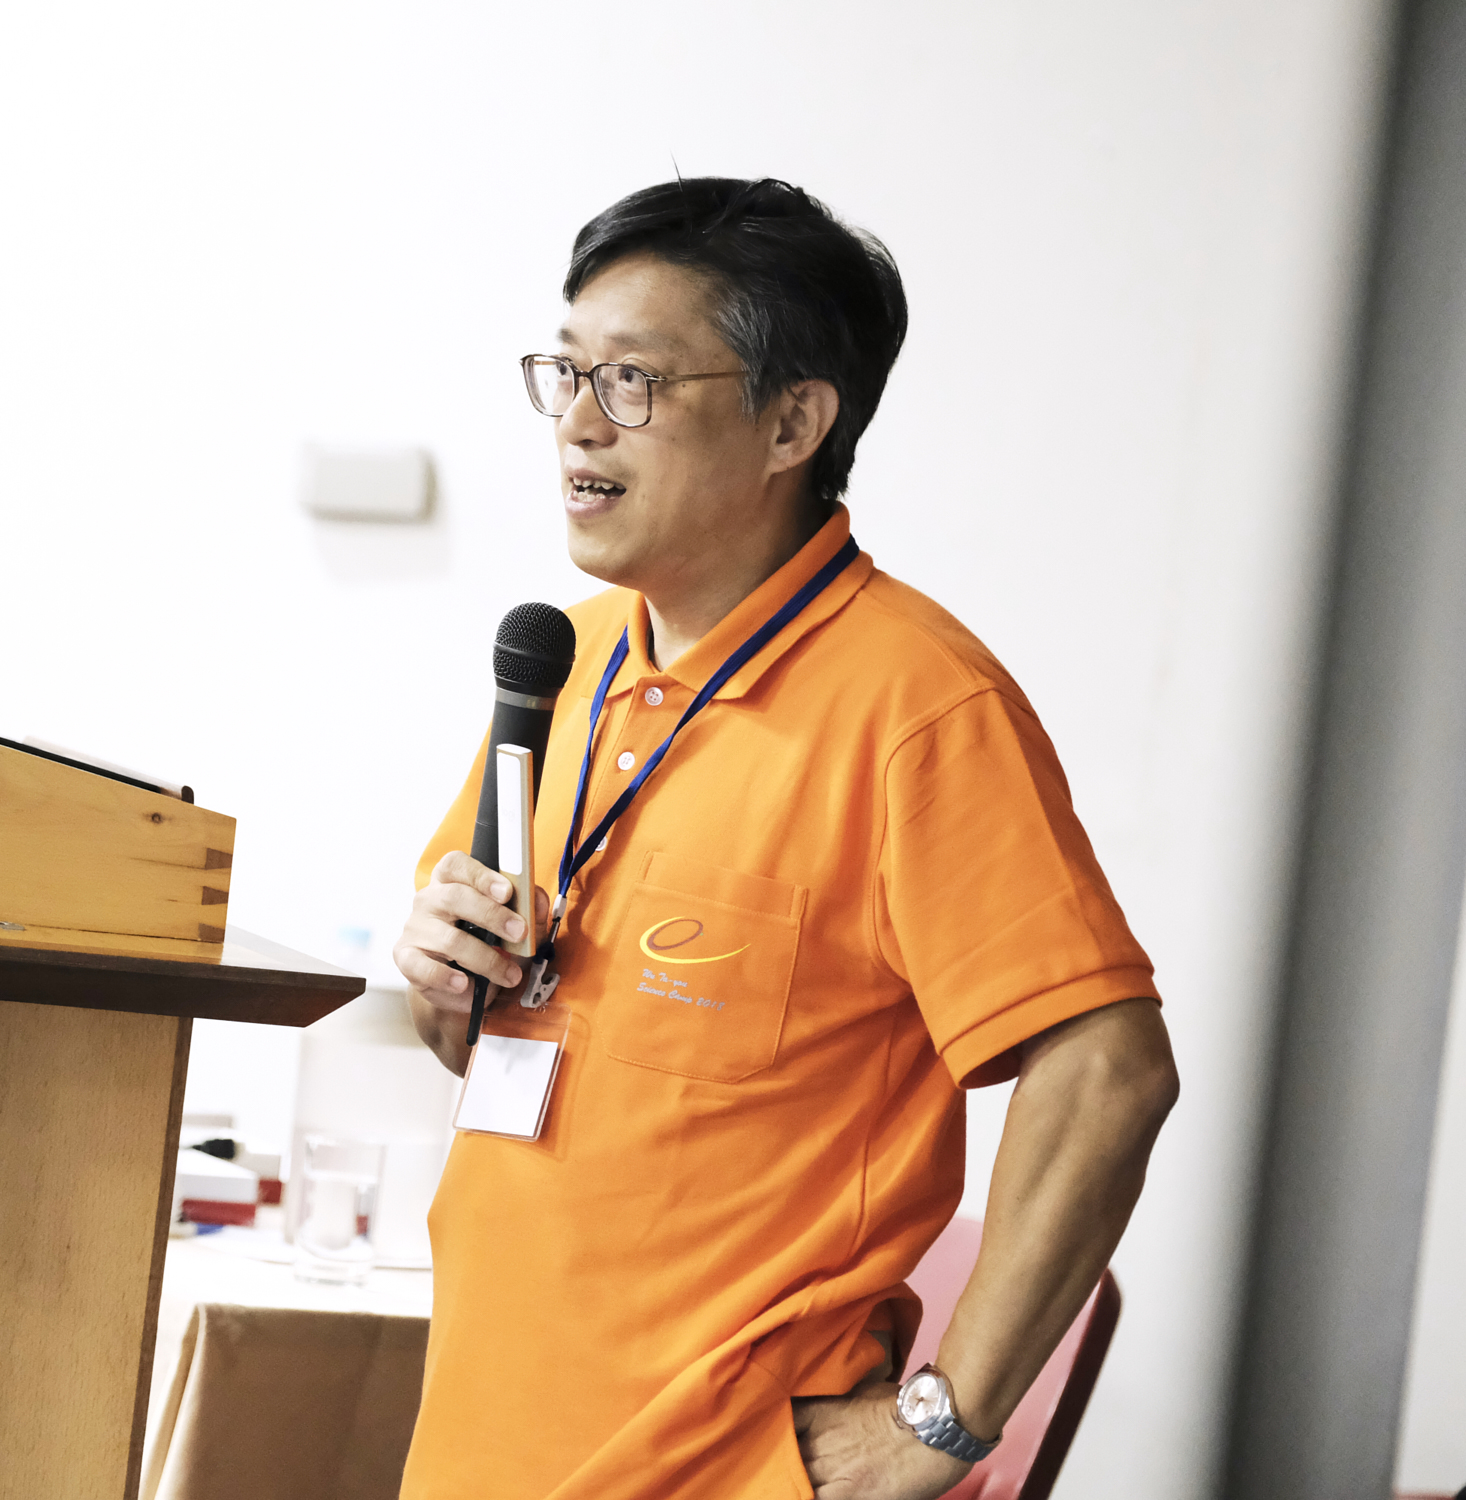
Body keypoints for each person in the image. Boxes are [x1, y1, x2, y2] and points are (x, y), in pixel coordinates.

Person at [392, 177, 1179, 1500]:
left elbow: (1108, 1071)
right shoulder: (565, 665)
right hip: (484, 1447)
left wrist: (936, 1427)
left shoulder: (917, 709)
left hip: (720, 1468)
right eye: (566, 373)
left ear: (793, 423)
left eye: (633, 381)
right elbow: (499, 1039)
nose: (578, 422)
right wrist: (441, 976)